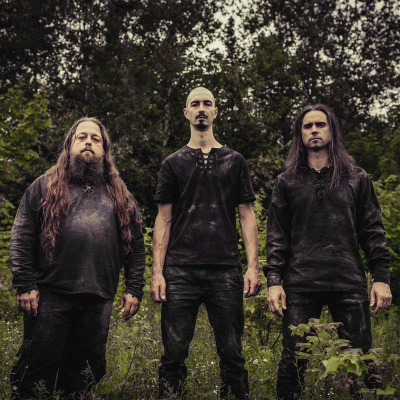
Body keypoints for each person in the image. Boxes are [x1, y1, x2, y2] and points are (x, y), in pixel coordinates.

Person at [9, 117, 146, 399]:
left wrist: (134, 288)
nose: (88, 142)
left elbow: (135, 244)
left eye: (96, 139)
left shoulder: (120, 194)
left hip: (98, 296)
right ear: (69, 146)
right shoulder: (44, 186)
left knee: (84, 374)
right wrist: (25, 284)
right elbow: (22, 235)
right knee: (37, 371)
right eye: (81, 137)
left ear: (105, 150)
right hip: (49, 295)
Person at [265, 104, 392, 399]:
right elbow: (277, 236)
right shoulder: (286, 182)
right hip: (301, 283)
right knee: (292, 360)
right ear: (300, 134)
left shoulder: (356, 178)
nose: (314, 130)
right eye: (307, 126)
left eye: (320, 124)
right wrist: (273, 281)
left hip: (347, 281)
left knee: (361, 360)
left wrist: (381, 277)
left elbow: (372, 230)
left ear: (332, 130)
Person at [150, 87, 262, 399]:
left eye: (207, 103)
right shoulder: (172, 163)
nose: (201, 108)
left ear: (215, 112)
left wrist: (253, 267)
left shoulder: (235, 161)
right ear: (186, 113)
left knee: (233, 355)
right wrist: (157, 272)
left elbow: (246, 215)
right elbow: (163, 218)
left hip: (225, 269)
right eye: (195, 104)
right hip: (180, 271)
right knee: (173, 356)